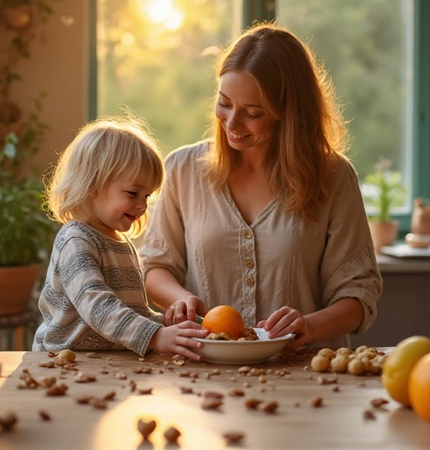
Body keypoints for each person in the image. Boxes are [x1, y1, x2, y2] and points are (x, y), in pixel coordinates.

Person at [139, 22, 382, 350]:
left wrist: (309, 324)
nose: (232, 123)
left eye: (253, 113)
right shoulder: (183, 169)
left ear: (289, 114)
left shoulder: (335, 177)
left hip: (307, 377)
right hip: (204, 373)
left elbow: (358, 295)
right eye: (225, 103)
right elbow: (155, 267)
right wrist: (181, 299)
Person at [32, 116, 207, 359]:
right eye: (133, 193)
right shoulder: (76, 240)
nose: (142, 206)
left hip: (107, 364)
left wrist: (168, 323)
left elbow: (131, 313)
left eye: (146, 196)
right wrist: (155, 336)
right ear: (92, 184)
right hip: (63, 363)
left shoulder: (121, 244)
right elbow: (97, 307)